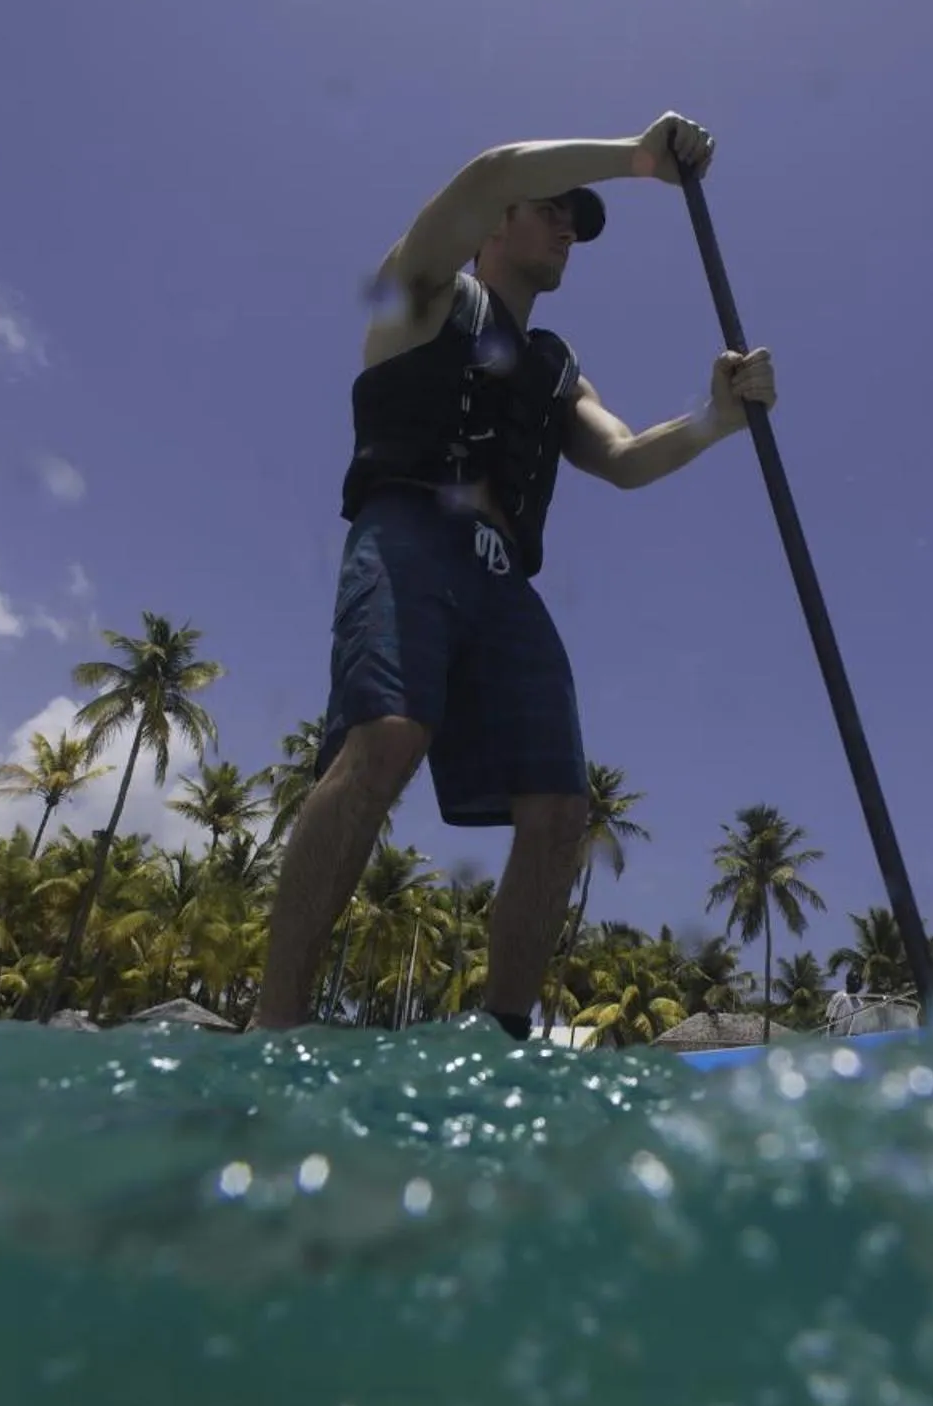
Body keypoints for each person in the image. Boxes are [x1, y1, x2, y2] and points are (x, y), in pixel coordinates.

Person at [252, 111, 779, 1041]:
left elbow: (618, 457)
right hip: (408, 531)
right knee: (387, 734)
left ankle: (503, 1036)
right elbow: (491, 168)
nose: (570, 227)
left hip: (505, 585)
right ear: (497, 223)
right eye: (551, 211)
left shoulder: (556, 366)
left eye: (578, 217)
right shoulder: (419, 293)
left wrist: (714, 417)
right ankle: (275, 1024)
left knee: (561, 805)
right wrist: (632, 160)